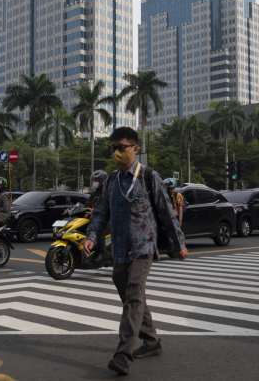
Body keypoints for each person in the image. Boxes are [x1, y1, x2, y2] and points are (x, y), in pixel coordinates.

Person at [83, 127, 187, 376]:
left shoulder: (149, 177)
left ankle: (123, 354)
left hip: (144, 246)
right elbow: (100, 213)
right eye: (113, 149)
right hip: (120, 248)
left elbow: (166, 212)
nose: (117, 153)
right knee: (131, 294)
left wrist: (179, 243)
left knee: (133, 293)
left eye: (121, 147)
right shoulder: (111, 180)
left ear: (136, 149)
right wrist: (92, 236)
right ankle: (151, 341)